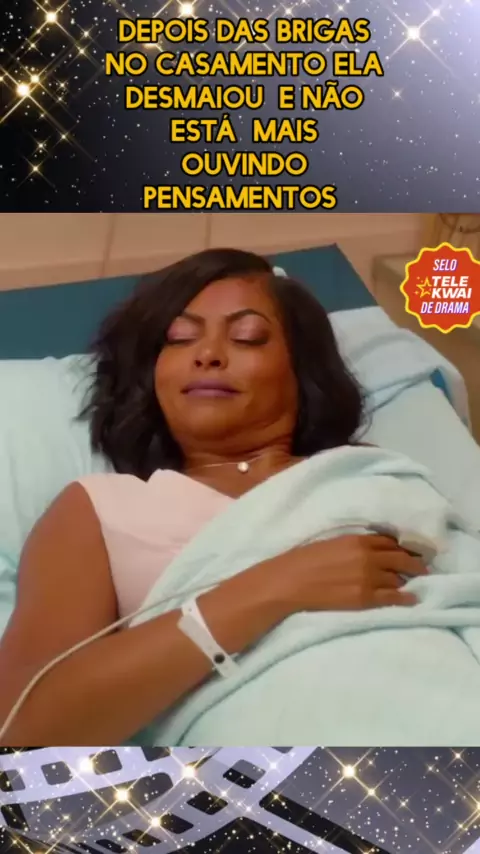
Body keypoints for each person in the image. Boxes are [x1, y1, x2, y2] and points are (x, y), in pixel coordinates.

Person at [0, 248, 426, 745]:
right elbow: (23, 724)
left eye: (247, 336)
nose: (208, 354)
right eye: (180, 339)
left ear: (301, 371)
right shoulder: (101, 509)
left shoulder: (367, 474)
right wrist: (274, 587)